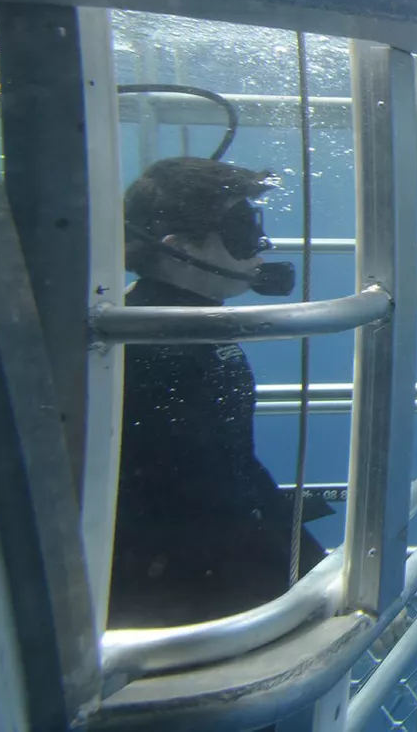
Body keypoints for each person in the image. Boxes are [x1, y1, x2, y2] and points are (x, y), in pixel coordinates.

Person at [108, 156, 330, 630]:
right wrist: (308, 589)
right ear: (178, 248)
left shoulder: (186, 325)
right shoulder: (158, 344)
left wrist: (314, 570)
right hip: (179, 604)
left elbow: (232, 469)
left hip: (192, 582)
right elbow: (200, 499)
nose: (259, 248)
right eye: (241, 230)